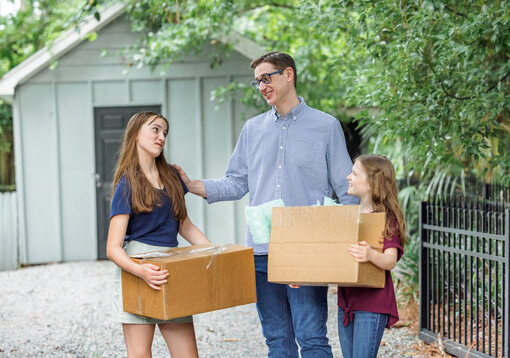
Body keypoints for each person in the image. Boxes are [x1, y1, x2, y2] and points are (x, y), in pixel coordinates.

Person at [174, 51, 359, 358]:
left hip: (306, 251)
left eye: (266, 78)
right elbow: (236, 182)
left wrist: (345, 252)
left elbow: (347, 190)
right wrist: (194, 185)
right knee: (276, 341)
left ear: (289, 75)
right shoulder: (252, 130)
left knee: (311, 338)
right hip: (261, 252)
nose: (261, 86)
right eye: (257, 81)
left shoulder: (326, 127)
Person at [107, 111, 210, 358]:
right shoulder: (126, 184)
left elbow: (183, 224)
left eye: (164, 132)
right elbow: (113, 247)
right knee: (140, 354)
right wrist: (140, 271)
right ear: (135, 135)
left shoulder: (173, 177)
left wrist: (213, 253)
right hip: (137, 270)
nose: (161, 136)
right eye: (155, 129)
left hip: (171, 269)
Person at [337, 154, 407, 358]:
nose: (348, 177)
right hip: (347, 303)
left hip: (372, 305)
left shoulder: (386, 218)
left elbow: (390, 260)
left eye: (354, 173)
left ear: (372, 182)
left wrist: (370, 254)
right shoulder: (350, 216)